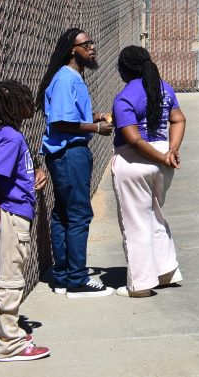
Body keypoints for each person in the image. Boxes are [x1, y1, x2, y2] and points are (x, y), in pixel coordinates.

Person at [36, 28, 115, 297]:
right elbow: (60, 121)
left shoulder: (74, 77)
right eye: (86, 44)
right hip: (69, 155)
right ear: (72, 49)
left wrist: (97, 115)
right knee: (79, 215)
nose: (92, 47)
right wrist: (95, 127)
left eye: (92, 43)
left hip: (68, 154)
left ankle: (63, 275)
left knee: (64, 214)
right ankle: (78, 281)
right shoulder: (64, 79)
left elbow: (70, 114)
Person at [0, 80, 51, 361]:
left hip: (13, 212)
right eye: (24, 99)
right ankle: (11, 344)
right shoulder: (11, 137)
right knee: (11, 280)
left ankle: (0, 335)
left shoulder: (7, 135)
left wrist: (34, 173)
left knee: (2, 278)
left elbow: (9, 172)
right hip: (12, 215)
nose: (30, 104)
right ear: (12, 107)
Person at [110, 46, 187, 297]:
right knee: (154, 214)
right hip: (163, 160)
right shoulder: (164, 88)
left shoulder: (124, 97)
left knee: (135, 223)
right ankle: (166, 272)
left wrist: (162, 156)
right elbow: (178, 119)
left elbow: (133, 139)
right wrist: (170, 151)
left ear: (125, 69)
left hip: (135, 162)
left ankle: (140, 285)